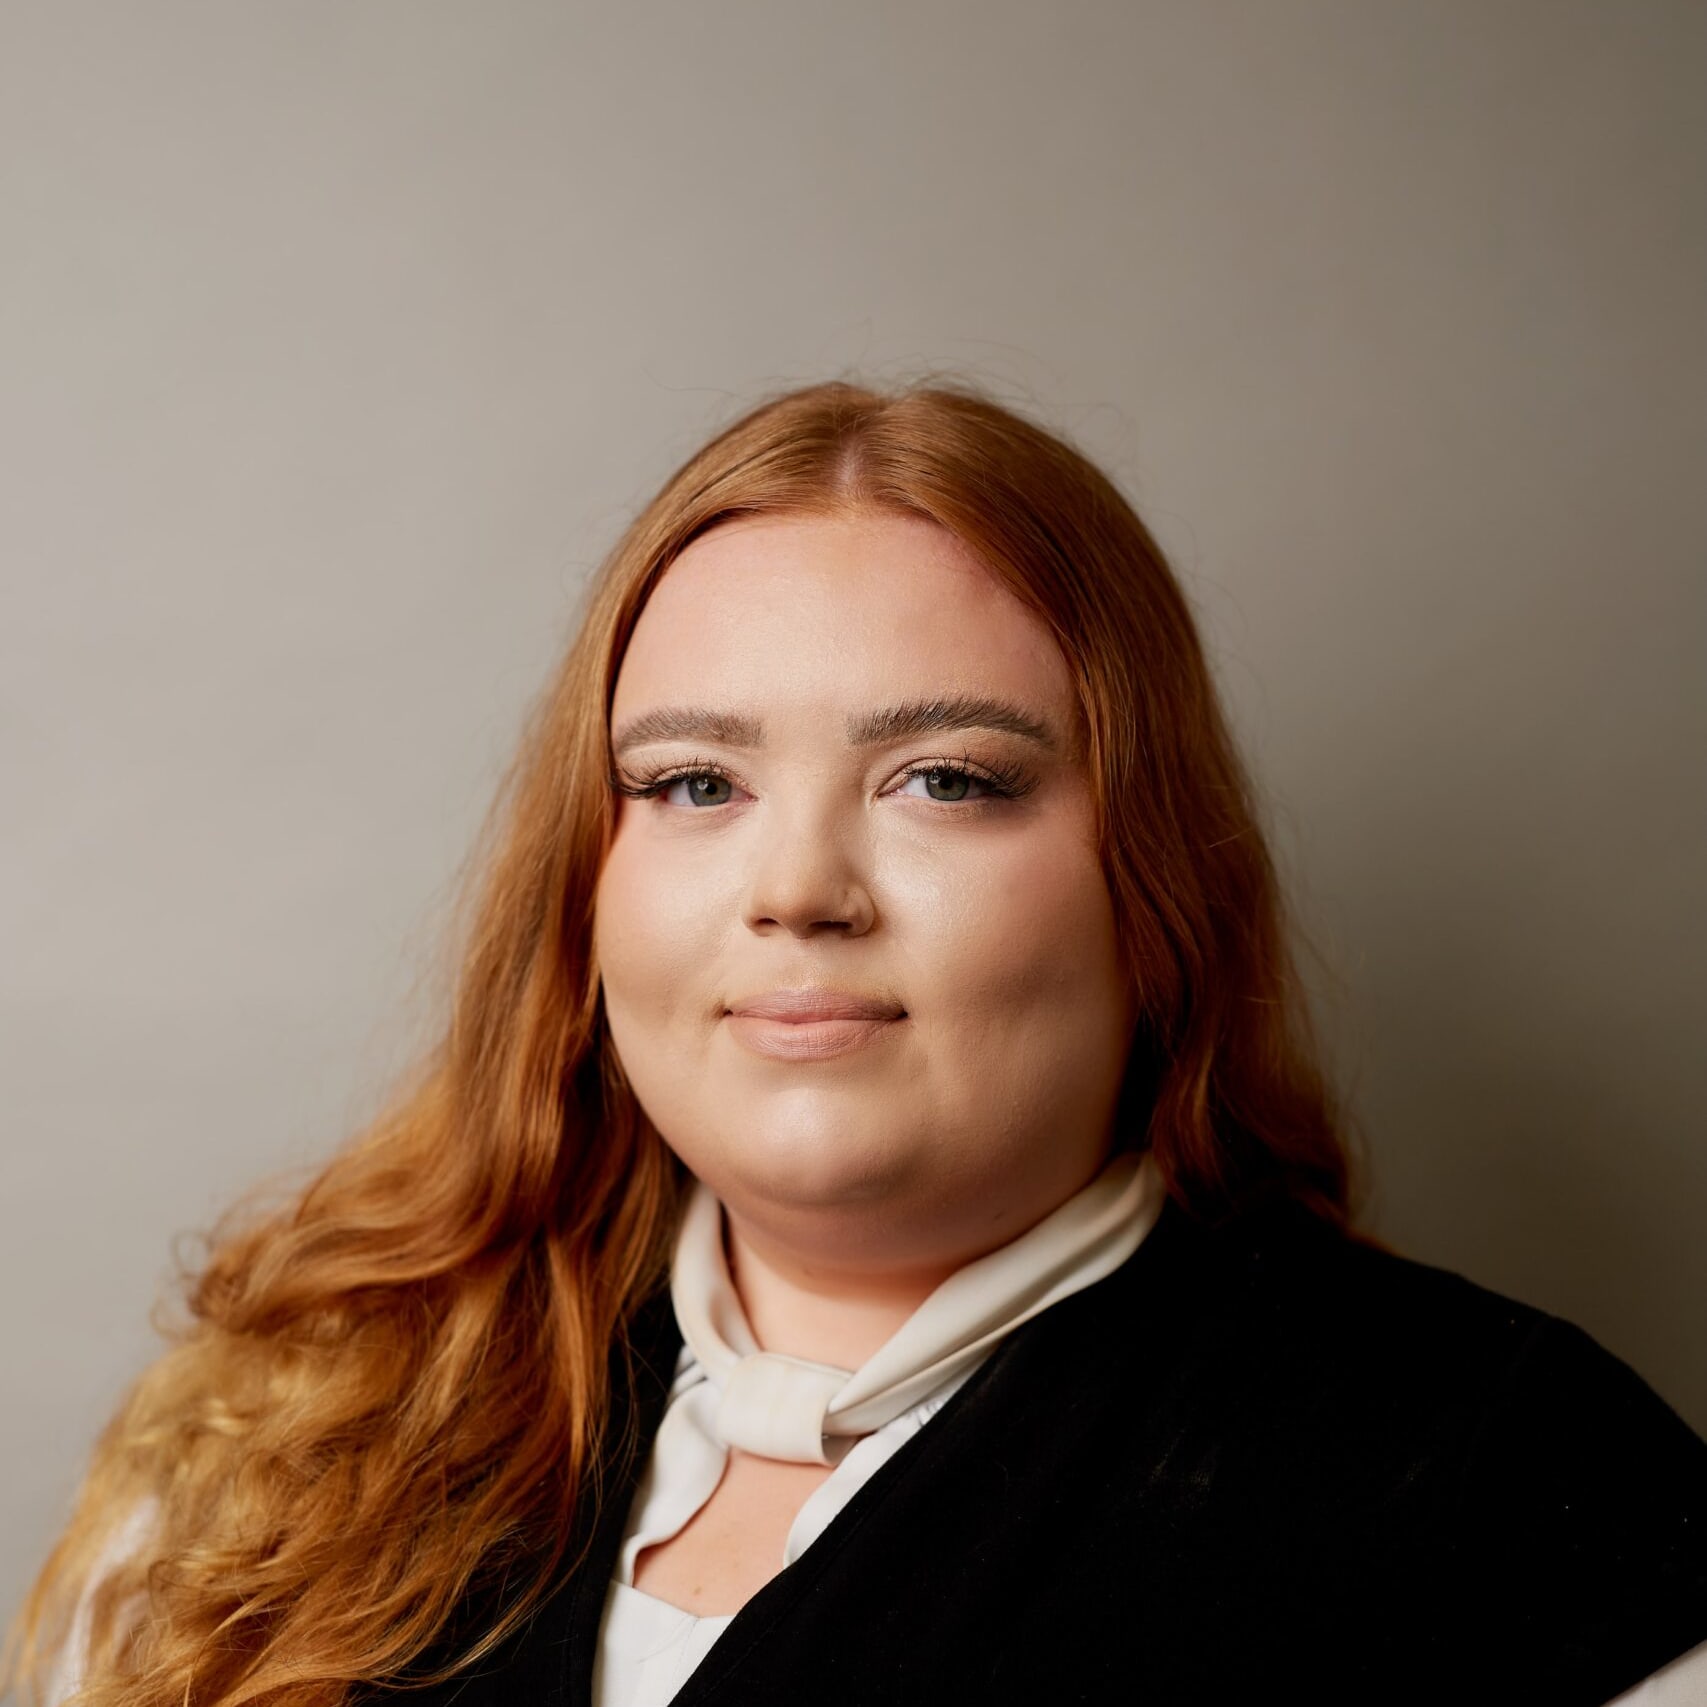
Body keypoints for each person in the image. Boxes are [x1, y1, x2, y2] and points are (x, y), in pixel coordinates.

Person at [7, 381, 1704, 1707]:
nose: (799, 890)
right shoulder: (274, 1445)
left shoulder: (1511, 1487)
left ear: (1153, 878)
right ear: (587, 887)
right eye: (696, 783)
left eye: (944, 779)